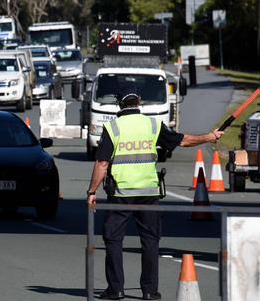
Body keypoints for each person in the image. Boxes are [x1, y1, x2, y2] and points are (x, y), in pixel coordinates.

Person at [86, 86, 223, 300]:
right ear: (138, 102)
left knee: (113, 239)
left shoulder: (113, 127)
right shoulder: (152, 124)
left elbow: (102, 163)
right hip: (149, 192)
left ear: (120, 104)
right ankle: (149, 291)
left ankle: (116, 289)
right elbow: (183, 140)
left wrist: (91, 191)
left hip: (121, 194)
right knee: (150, 240)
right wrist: (209, 136)